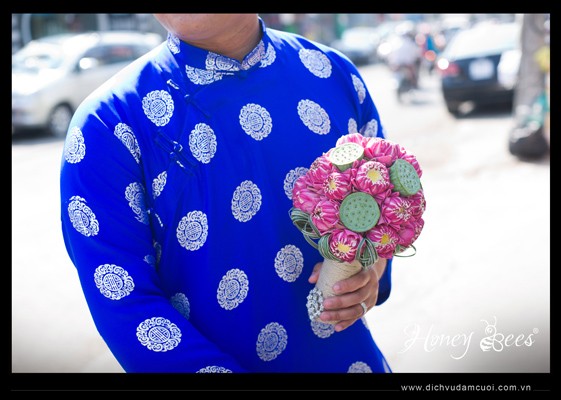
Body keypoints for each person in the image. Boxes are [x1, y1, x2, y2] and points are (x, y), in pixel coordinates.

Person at [60, 13, 393, 373]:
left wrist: (368, 275)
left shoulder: (334, 74)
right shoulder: (107, 124)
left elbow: (383, 211)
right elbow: (126, 305)